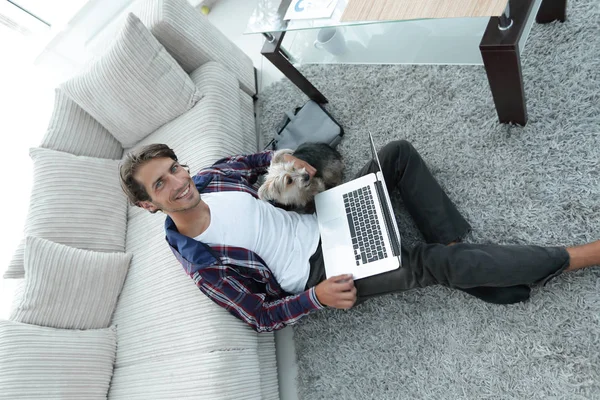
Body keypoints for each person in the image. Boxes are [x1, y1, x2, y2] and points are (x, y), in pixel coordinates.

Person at [119, 141, 600, 333]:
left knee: (394, 155)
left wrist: (292, 161)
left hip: (325, 215)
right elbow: (261, 316)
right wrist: (318, 298)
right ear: (148, 205)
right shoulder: (204, 263)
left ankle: (472, 264)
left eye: (174, 169)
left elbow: (259, 158)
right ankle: (583, 255)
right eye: (160, 184)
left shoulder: (213, 177)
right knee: (430, 262)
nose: (179, 183)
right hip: (318, 271)